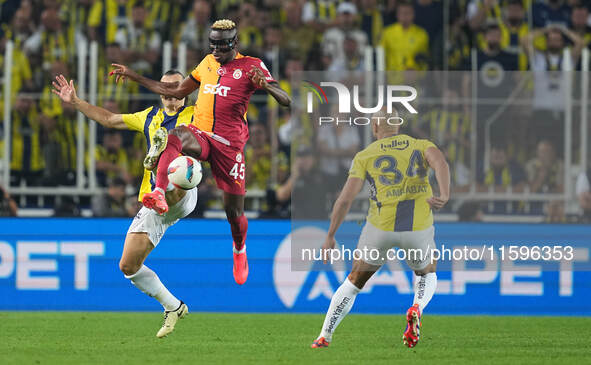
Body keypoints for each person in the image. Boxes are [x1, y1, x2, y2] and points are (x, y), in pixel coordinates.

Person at [109, 19, 291, 285]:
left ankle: (239, 248)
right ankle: (159, 191)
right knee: (174, 136)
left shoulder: (252, 65)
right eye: (212, 43)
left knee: (234, 213)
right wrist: (134, 75)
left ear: (235, 43)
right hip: (202, 135)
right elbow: (174, 90)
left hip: (229, 148)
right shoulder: (206, 63)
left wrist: (267, 86)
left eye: (222, 44)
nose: (216, 49)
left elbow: (287, 100)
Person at [52, 71, 197, 338]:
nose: (168, 91)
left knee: (182, 165)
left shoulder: (197, 115)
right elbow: (108, 119)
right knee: (128, 266)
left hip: (183, 191)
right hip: (154, 204)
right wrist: (75, 101)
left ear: (185, 91)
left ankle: (163, 175)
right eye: (164, 86)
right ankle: (173, 306)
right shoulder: (150, 117)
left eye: (175, 87)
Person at [310, 109, 450, 349]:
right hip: (417, 228)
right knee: (427, 273)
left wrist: (331, 235)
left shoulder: (365, 155)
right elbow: (441, 163)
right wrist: (444, 194)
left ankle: (325, 335)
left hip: (379, 229)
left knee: (354, 282)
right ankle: (416, 307)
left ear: (374, 128)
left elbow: (345, 199)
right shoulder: (420, 145)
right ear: (398, 126)